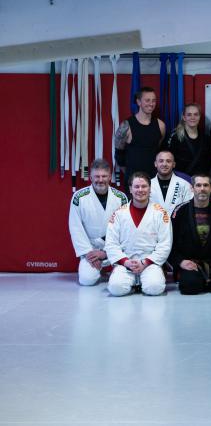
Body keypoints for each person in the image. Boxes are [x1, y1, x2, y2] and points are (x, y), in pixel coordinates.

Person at [105, 172, 172, 297]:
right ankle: (132, 282)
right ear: (130, 189)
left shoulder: (160, 213)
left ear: (150, 189)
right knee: (116, 289)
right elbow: (111, 243)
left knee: (155, 288)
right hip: (126, 262)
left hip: (150, 262)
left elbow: (165, 244)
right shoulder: (119, 213)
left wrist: (145, 262)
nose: (140, 190)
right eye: (136, 186)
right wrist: (125, 262)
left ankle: (149, 278)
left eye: (144, 186)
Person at [169, 173, 211, 295]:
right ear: (192, 188)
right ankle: (203, 280)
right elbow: (171, 242)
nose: (202, 189)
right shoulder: (180, 211)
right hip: (190, 262)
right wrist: (181, 261)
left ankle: (207, 280)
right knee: (190, 286)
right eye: (198, 185)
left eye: (206, 185)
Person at [68, 158, 128, 286]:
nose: (100, 180)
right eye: (97, 176)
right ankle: (96, 265)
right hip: (91, 249)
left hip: (115, 248)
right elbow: (76, 228)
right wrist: (89, 254)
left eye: (104, 176)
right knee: (87, 280)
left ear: (110, 177)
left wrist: (106, 252)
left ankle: (116, 271)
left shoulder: (121, 198)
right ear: (90, 177)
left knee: (120, 281)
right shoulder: (79, 197)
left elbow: (126, 229)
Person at [114, 87, 166, 182]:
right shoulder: (126, 126)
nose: (151, 104)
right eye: (147, 100)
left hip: (154, 180)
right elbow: (119, 155)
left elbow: (159, 149)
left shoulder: (161, 125)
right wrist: (130, 174)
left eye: (153, 100)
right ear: (138, 102)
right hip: (133, 181)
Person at [164, 103, 211, 177]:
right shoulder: (175, 137)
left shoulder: (206, 139)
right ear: (184, 117)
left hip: (201, 181)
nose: (193, 117)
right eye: (189, 115)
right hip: (181, 179)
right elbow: (168, 159)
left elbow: (208, 162)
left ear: (199, 117)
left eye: (196, 114)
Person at [149, 150, 193, 215]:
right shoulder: (147, 185)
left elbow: (190, 208)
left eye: (168, 161)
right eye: (161, 161)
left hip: (178, 220)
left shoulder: (184, 184)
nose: (164, 164)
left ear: (174, 164)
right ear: (155, 164)